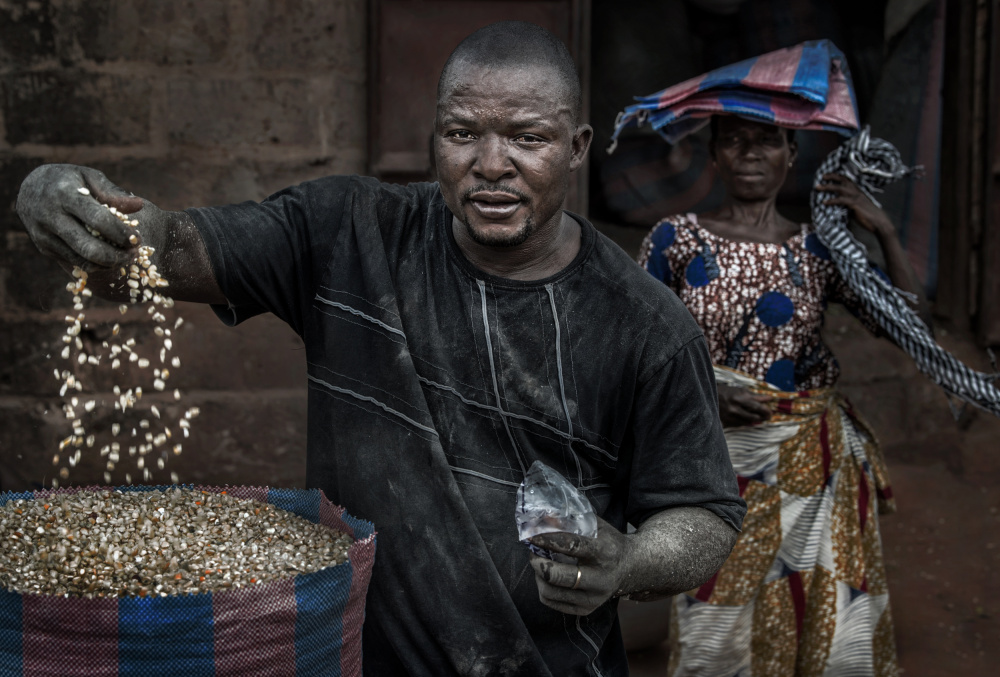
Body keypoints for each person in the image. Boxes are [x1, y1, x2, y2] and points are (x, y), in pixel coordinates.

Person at [15, 22, 745, 677]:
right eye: (462, 134)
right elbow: (168, 249)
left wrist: (626, 562)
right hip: (351, 656)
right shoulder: (348, 232)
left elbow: (705, 516)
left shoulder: (645, 324)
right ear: (434, 136)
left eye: (527, 138)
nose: (492, 164)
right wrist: (61, 198)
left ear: (577, 147)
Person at [637, 114, 929, 676]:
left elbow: (910, 330)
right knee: (712, 619)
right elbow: (633, 345)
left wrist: (883, 232)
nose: (751, 152)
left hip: (812, 467)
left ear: (792, 154)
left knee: (821, 611)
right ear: (714, 156)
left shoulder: (821, 250)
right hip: (713, 462)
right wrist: (704, 395)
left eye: (768, 140)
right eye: (734, 141)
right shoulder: (674, 238)